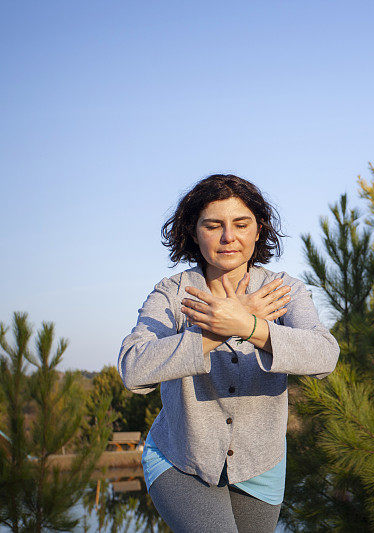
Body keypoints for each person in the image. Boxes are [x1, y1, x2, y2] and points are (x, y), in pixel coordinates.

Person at [118, 174, 340, 533]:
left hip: (261, 465)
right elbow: (134, 368)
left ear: (258, 230)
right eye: (213, 225)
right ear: (193, 231)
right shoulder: (172, 294)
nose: (228, 237)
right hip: (181, 459)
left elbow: (324, 356)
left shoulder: (285, 291)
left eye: (241, 223)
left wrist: (250, 326)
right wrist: (214, 331)